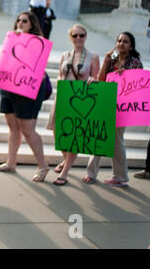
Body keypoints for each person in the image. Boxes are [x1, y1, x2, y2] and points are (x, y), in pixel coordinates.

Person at [0, 12, 50, 182]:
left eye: (24, 21)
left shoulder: (38, 42)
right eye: (18, 20)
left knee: (27, 129)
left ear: (32, 24)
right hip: (8, 86)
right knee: (13, 127)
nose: (20, 23)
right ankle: (11, 163)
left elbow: (37, 65)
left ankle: (43, 166)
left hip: (27, 89)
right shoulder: (11, 39)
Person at [83, 32, 143, 187]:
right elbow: (102, 80)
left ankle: (121, 177)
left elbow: (137, 86)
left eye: (125, 41)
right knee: (99, 135)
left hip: (122, 107)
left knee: (116, 140)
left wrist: (126, 75)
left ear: (131, 46)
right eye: (119, 40)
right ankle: (91, 174)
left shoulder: (134, 62)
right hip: (106, 103)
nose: (121, 43)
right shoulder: (112, 59)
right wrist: (107, 61)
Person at [46, 24, 100, 186]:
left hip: (80, 100)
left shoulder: (93, 56)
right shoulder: (65, 55)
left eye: (81, 35)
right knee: (58, 132)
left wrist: (93, 80)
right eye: (75, 35)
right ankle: (66, 159)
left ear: (86, 37)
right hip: (63, 97)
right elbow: (61, 75)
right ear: (71, 37)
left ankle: (65, 171)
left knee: (75, 136)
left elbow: (95, 77)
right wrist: (60, 81)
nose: (78, 38)